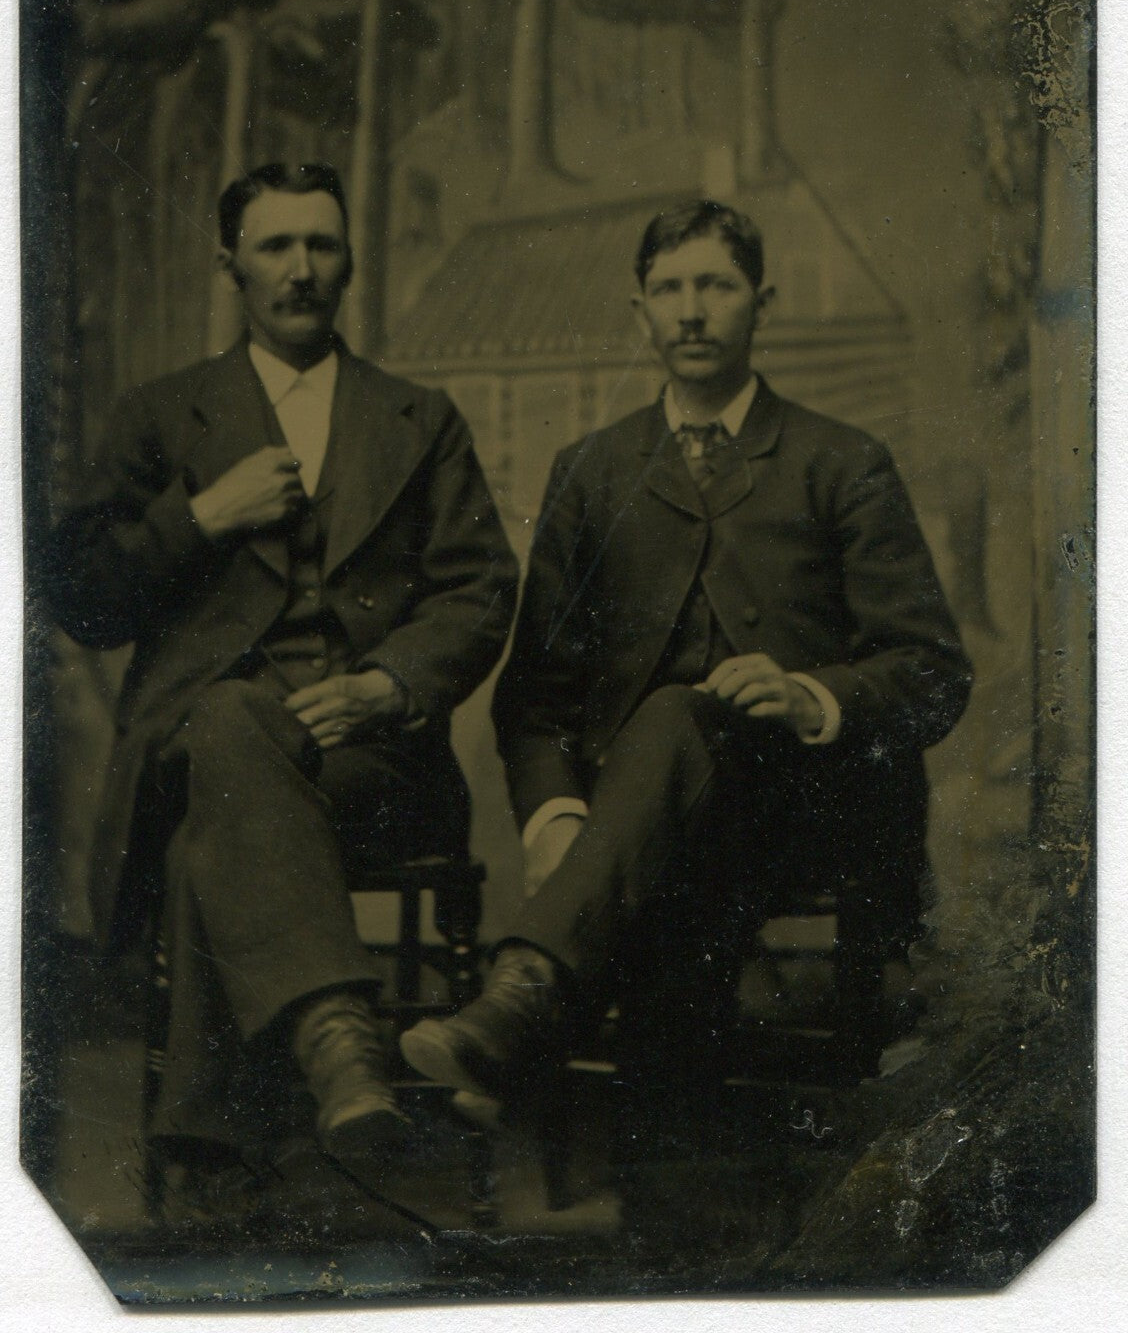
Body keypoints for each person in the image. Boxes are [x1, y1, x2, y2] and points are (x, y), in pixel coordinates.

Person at [401, 199, 972, 1105]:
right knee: (672, 938)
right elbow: (537, 694)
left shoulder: (841, 460)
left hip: (806, 813)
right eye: (668, 289)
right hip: (640, 828)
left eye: (716, 285)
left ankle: (529, 999)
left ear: (762, 303)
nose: (692, 311)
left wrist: (811, 696)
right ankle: (667, 1186)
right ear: (640, 313)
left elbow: (934, 674)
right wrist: (554, 820)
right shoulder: (592, 471)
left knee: (674, 716)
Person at [48, 162, 518, 1178]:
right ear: (231, 265)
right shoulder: (162, 416)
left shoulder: (418, 419)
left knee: (204, 838)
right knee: (225, 721)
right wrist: (201, 517)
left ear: (349, 259)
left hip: (369, 764)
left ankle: (209, 1138)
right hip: (191, 747)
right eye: (275, 247)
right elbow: (80, 597)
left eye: (322, 245)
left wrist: (386, 685)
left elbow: (480, 589)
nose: (301, 270)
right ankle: (342, 1045)